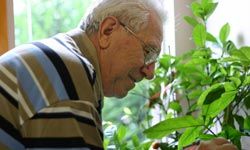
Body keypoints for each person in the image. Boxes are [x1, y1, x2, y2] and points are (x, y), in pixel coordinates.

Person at [0, 0, 237, 149]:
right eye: (149, 51)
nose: (151, 72)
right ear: (108, 30)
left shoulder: (60, 59)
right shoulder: (68, 75)